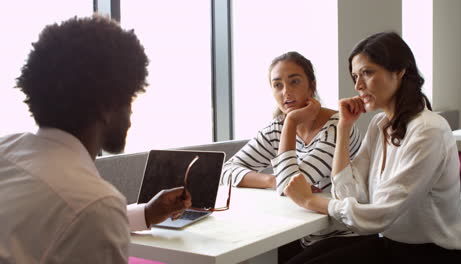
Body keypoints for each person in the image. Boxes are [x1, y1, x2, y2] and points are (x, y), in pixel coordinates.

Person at [0, 15, 191, 264]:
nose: (130, 114)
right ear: (107, 107)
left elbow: (49, 223)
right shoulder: (94, 203)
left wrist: (147, 213)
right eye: (129, 99)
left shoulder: (7, 149)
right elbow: (81, 212)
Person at [284, 32, 461, 263]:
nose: (359, 85)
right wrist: (344, 127)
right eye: (354, 76)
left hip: (436, 253)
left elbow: (381, 214)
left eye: (367, 73)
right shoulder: (379, 125)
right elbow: (349, 193)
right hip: (391, 244)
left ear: (399, 71)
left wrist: (310, 201)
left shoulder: (428, 129)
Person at [221, 51, 362, 262]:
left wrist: (291, 122)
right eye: (277, 85)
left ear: (311, 86)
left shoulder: (338, 125)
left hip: (346, 235)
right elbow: (225, 171)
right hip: (303, 236)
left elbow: (294, 185)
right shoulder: (277, 127)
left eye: (294, 82)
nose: (286, 92)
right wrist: (271, 180)